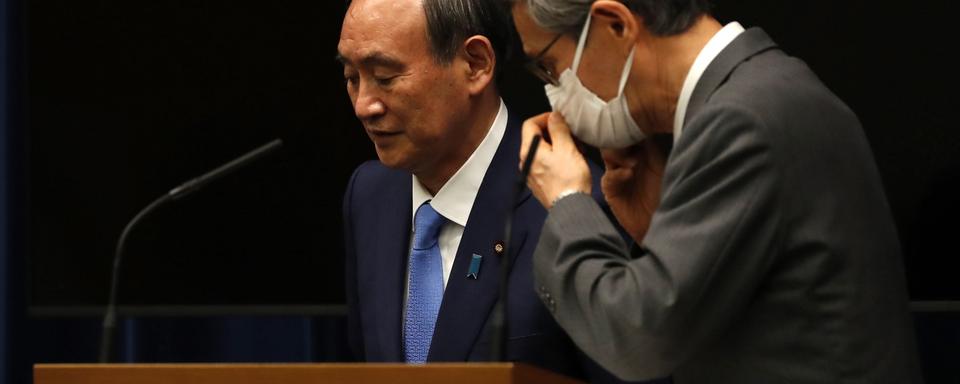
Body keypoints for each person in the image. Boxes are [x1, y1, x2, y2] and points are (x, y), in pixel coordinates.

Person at [510, 0, 924, 383]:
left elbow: (640, 337)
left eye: (550, 66)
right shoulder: (769, 88)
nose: (556, 99)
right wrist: (658, 234)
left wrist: (568, 201)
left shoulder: (741, 119)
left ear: (615, 25)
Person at [338, 1, 664, 382]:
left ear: (475, 64)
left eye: (385, 76)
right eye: (351, 77)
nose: (364, 105)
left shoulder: (572, 203)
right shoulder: (370, 195)